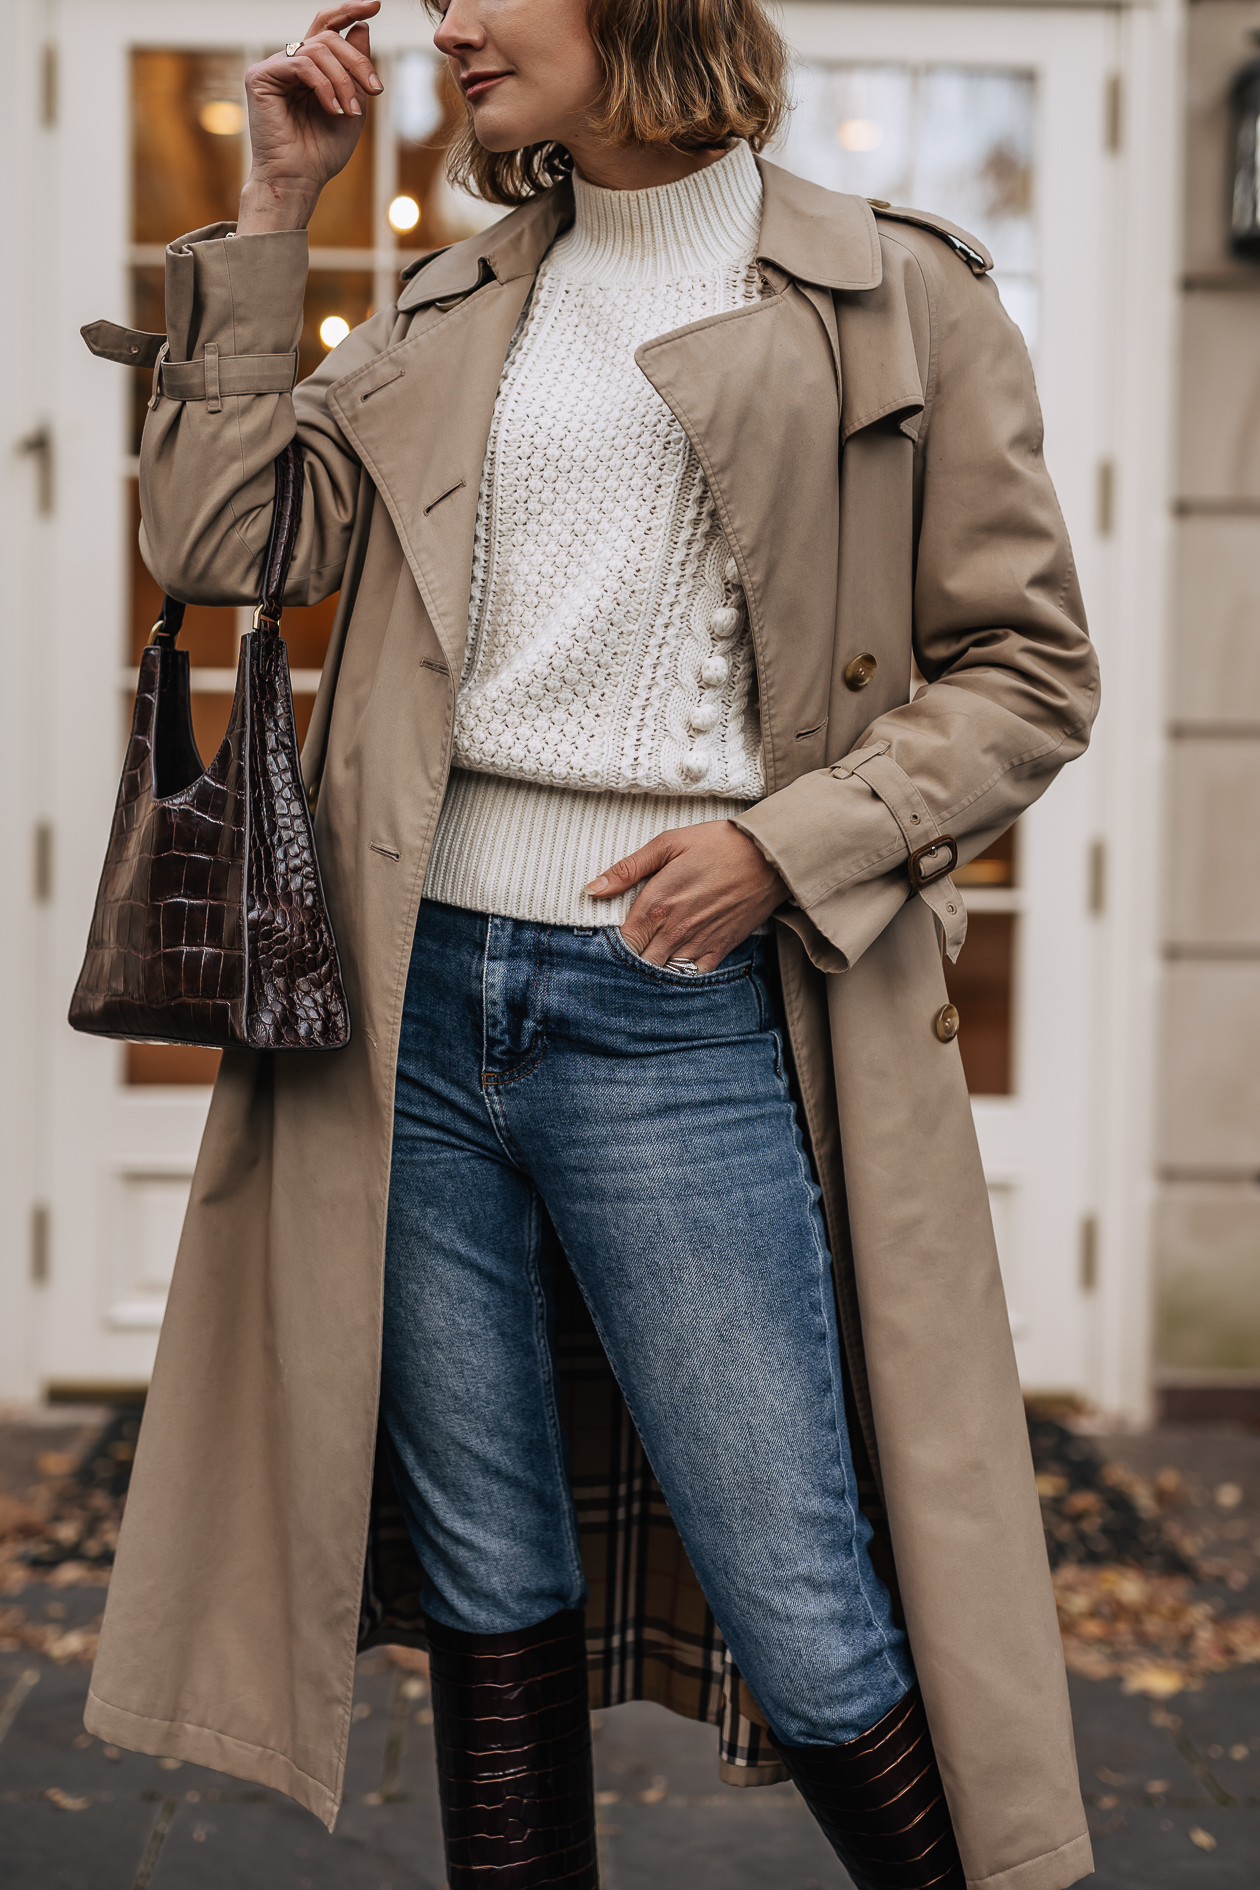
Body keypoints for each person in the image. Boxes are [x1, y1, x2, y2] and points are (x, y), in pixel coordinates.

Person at [81, 3, 1099, 1887]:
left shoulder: (902, 300)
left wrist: (786, 847)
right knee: (490, 1580)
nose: (451, 20)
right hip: (413, 1004)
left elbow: (1030, 672)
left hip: (680, 1016)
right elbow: (225, 539)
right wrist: (274, 206)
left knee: (801, 1587)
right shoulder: (455, 302)